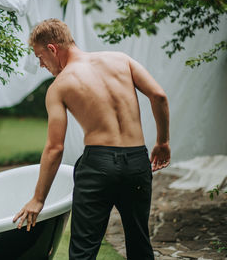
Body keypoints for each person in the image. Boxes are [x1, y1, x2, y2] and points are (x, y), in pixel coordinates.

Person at [12, 18, 170, 259]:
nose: (41, 64)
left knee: (83, 252)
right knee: (140, 243)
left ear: (53, 49)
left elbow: (55, 147)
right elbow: (158, 95)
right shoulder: (120, 60)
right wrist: (162, 142)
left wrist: (38, 198)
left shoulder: (60, 86)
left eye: (40, 56)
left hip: (99, 166)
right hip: (137, 163)